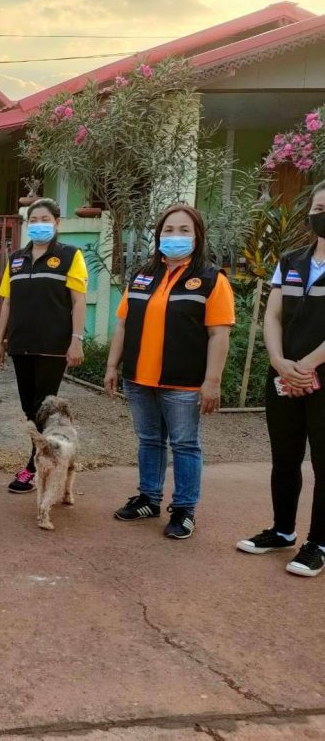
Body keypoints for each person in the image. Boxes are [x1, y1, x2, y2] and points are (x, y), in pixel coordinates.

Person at [104, 203, 234, 540]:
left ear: (197, 236)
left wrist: (212, 382)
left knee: (185, 445)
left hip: (184, 382)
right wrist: (112, 365)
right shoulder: (143, 275)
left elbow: (219, 334)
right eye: (169, 230)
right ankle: (149, 498)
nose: (175, 236)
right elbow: (123, 323)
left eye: (184, 230)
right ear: (159, 235)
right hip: (139, 377)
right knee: (149, 440)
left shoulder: (211, 280)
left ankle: (184, 509)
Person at [237, 181, 325, 575]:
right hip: (285, 376)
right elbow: (272, 315)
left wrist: (307, 365)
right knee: (285, 457)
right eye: (319, 208)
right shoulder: (290, 260)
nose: (322, 215)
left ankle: (318, 543)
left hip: (314, 375)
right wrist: (278, 360)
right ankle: (283, 530)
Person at [0, 198, 87, 494]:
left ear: (57, 223)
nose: (39, 225)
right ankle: (46, 459)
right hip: (21, 344)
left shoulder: (70, 255)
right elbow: (8, 301)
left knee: (44, 409)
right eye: (33, 220)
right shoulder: (16, 259)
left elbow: (78, 300)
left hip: (52, 345)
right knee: (29, 408)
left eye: (45, 219)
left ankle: (35, 467)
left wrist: (76, 340)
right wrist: (0, 341)